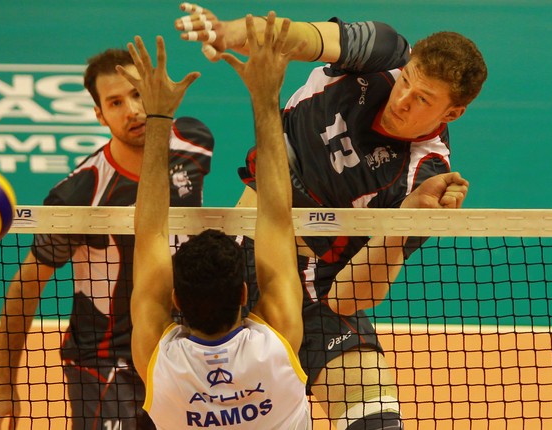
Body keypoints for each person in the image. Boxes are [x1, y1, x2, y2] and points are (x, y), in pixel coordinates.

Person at [174, 3, 486, 429]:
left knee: (376, 421)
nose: (403, 99)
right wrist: (230, 33)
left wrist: (403, 224)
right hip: (245, 247)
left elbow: (347, 300)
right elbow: (302, 37)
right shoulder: (384, 50)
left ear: (452, 114)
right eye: (408, 82)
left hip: (318, 286)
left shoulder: (424, 178)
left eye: (423, 100)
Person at [0, 47, 214, 430]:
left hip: (181, 343)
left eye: (138, 94)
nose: (133, 110)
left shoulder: (194, 143)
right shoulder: (80, 194)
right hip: (107, 358)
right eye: (116, 102)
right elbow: (27, 284)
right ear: (99, 115)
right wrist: (3, 380)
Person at [127, 13, 311, 429]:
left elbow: (149, 231)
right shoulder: (276, 343)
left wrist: (156, 119)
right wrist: (266, 99)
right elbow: (279, 220)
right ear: (245, 292)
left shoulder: (159, 360)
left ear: (176, 301)